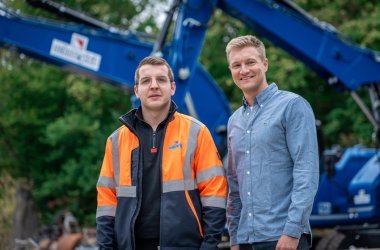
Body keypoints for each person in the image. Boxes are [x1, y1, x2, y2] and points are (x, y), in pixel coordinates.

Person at [96, 56, 227, 250]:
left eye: (161, 79)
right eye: (146, 81)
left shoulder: (196, 132)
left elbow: (214, 194)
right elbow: (107, 200)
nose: (154, 86)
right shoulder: (116, 141)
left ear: (172, 88)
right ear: (136, 90)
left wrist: (209, 245)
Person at [225, 35, 319, 250]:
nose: (244, 70)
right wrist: (235, 238)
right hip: (246, 239)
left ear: (264, 64)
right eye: (236, 65)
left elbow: (307, 173)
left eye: (250, 62)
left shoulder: (292, 106)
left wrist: (292, 231)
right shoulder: (234, 121)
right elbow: (234, 186)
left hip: (283, 238)